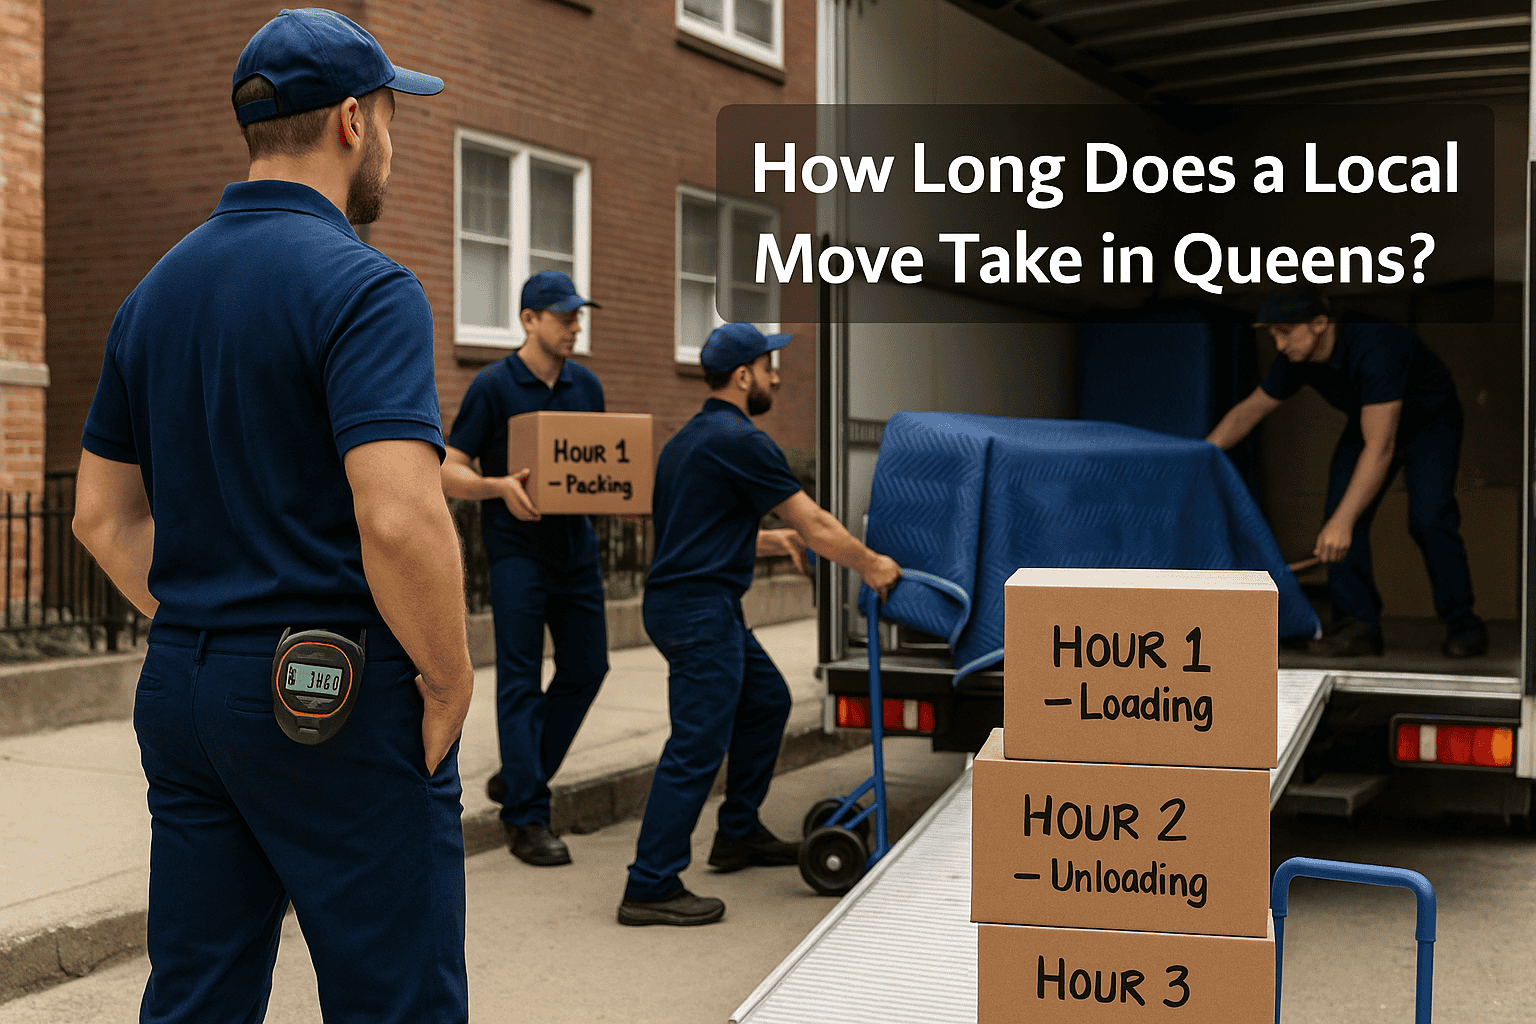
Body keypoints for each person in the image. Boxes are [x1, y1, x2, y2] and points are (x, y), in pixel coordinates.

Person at [71, 11, 474, 1022]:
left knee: (198, 991)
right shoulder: (367, 288)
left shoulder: (151, 295)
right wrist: (449, 673)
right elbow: (397, 515)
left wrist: (206, 628)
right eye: (388, 115)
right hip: (332, 691)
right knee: (398, 997)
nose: (390, 139)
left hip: (188, 692)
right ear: (350, 121)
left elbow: (99, 518)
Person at [617, 323, 903, 927]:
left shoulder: (689, 440)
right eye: (770, 367)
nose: (778, 376)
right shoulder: (742, 440)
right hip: (700, 610)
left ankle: (738, 833)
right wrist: (872, 564)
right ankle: (649, 883)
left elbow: (695, 527)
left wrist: (765, 539)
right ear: (744, 376)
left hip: (692, 603)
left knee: (766, 700)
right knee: (696, 744)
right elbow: (818, 524)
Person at [1207, 290, 1487, 659]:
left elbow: (1380, 447)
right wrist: (1201, 455)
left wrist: (1344, 521)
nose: (1279, 342)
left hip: (1428, 423)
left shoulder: (1376, 346)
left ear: (1320, 324)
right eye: (1273, 333)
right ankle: (1358, 627)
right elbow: (1251, 411)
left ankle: (1463, 625)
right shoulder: (1295, 356)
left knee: (1428, 517)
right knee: (1337, 514)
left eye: (1286, 331)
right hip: (1369, 422)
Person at [442, 271, 609, 866]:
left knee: (589, 666)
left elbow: (599, 464)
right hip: (517, 552)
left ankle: (521, 774)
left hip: (577, 550)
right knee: (520, 679)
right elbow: (448, 467)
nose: (575, 326)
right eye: (564, 317)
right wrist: (497, 486)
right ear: (529, 320)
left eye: (577, 316)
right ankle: (527, 818)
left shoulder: (586, 386)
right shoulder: (493, 386)